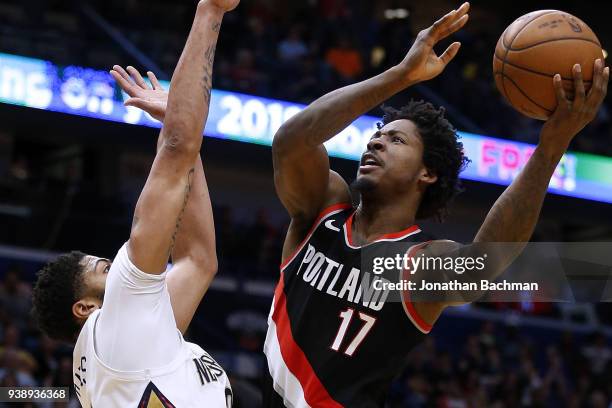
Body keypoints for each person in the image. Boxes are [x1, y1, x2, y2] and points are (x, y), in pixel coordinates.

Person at [265, 1, 609, 407]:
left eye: (397, 140)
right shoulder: (322, 209)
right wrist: (400, 76)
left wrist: (551, 148)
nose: (376, 141)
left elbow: (485, 262)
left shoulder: (417, 263)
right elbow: (292, 142)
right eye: (378, 134)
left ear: (426, 174)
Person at [31, 0, 239, 406]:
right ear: (85, 306)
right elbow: (177, 147)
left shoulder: (112, 345)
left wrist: (182, 130)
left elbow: (197, 261)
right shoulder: (119, 315)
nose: (118, 264)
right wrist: (210, 12)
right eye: (104, 266)